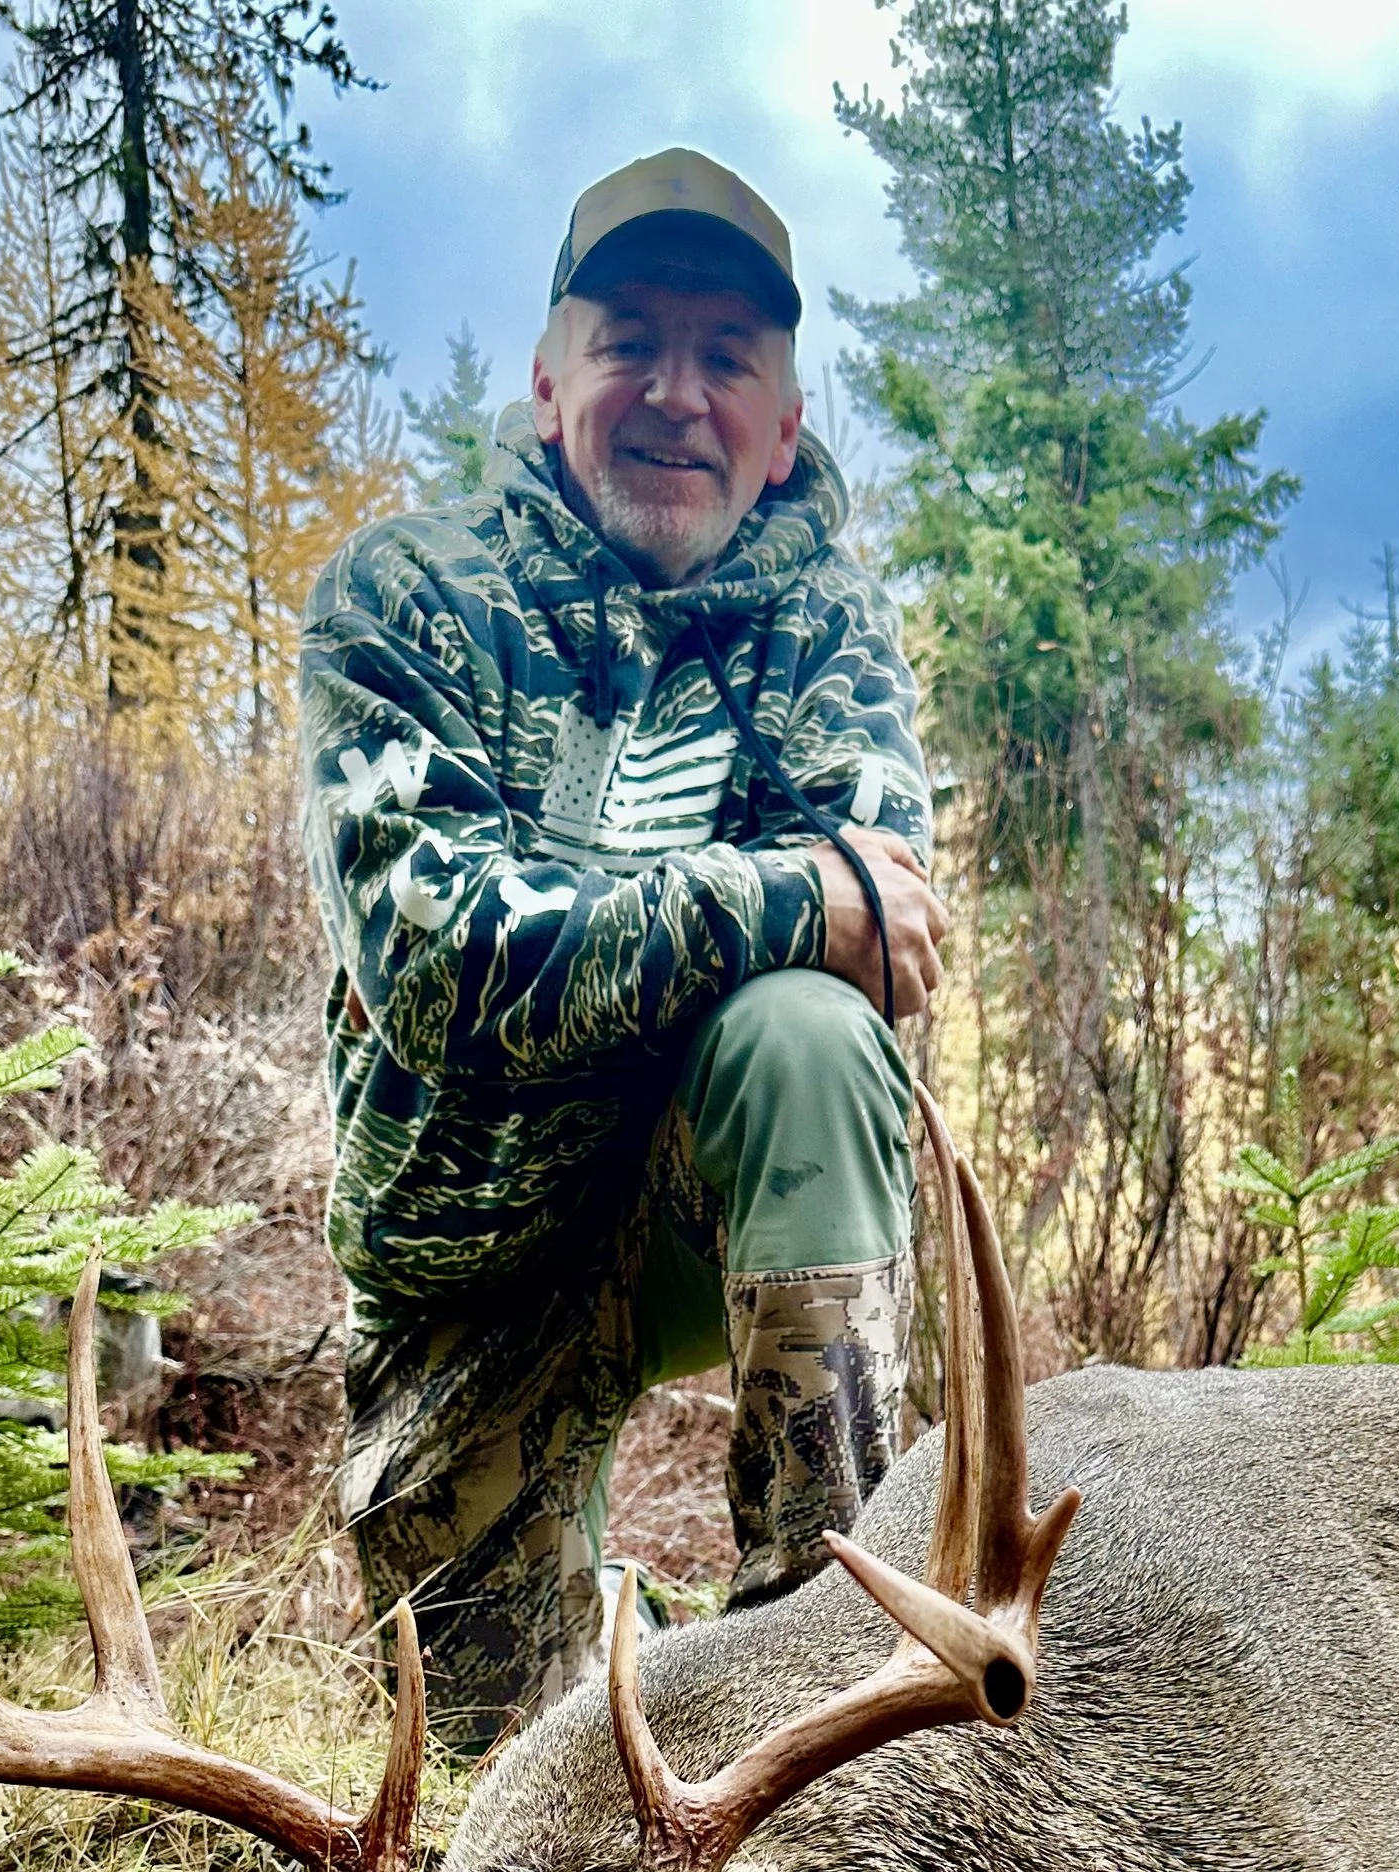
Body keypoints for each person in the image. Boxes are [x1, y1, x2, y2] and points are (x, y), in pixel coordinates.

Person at [298, 149, 947, 1749]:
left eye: (728, 356)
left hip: (693, 1193)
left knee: (806, 1033)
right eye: (630, 342)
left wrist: (750, 936)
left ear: (785, 424)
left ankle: (830, 1653)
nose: (675, 393)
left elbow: (884, 954)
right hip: (471, 1270)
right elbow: (443, 962)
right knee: (497, 1759)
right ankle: (627, 1639)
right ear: (548, 384)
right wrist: (785, 895)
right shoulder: (407, 598)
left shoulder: (833, 634)